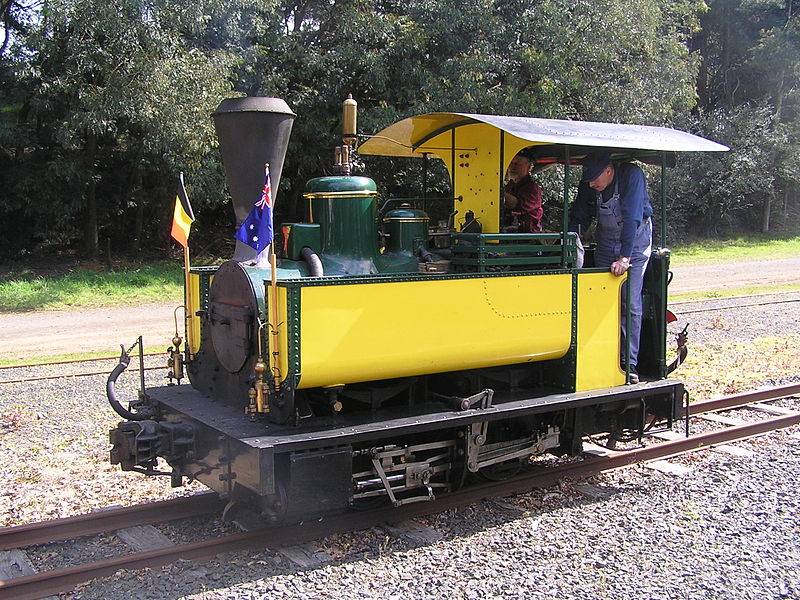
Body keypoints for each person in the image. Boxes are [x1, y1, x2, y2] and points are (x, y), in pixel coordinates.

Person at [569, 152, 653, 384]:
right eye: (588, 180)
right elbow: (580, 212)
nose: (591, 184)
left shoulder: (631, 177)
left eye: (595, 179)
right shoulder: (591, 183)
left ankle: (629, 363)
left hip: (634, 241)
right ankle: (601, 355)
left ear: (609, 170)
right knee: (601, 298)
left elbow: (632, 218)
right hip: (606, 240)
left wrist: (625, 258)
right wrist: (570, 238)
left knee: (630, 301)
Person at [503, 153, 543, 233]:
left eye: (517, 164)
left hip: (527, 236)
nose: (513, 167)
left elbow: (515, 204)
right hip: (511, 232)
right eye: (511, 163)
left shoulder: (532, 188)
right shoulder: (511, 185)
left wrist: (498, 190)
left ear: (529, 167)